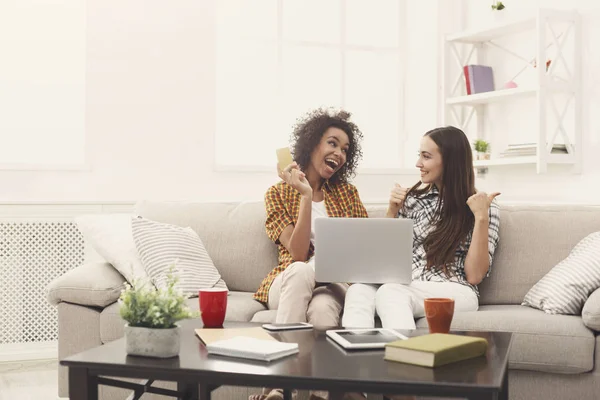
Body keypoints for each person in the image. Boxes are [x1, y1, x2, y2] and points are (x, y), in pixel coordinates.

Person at [250, 108, 368, 400]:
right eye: (332, 143)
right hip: (290, 280)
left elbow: (366, 246)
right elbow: (298, 255)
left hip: (332, 284)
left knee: (323, 311)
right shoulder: (277, 194)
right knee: (303, 270)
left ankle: (318, 396)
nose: (339, 153)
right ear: (313, 143)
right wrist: (304, 196)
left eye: (345, 149)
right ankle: (275, 389)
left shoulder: (347, 194)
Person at [342, 126, 501, 330]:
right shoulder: (413, 201)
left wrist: (480, 217)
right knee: (359, 290)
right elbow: (383, 258)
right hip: (408, 282)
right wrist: (392, 211)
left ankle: (405, 359)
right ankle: (358, 360)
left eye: (426, 157)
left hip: (456, 289)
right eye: (420, 155)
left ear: (450, 161)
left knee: (391, 292)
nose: (418, 164)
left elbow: (474, 276)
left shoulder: (484, 207)